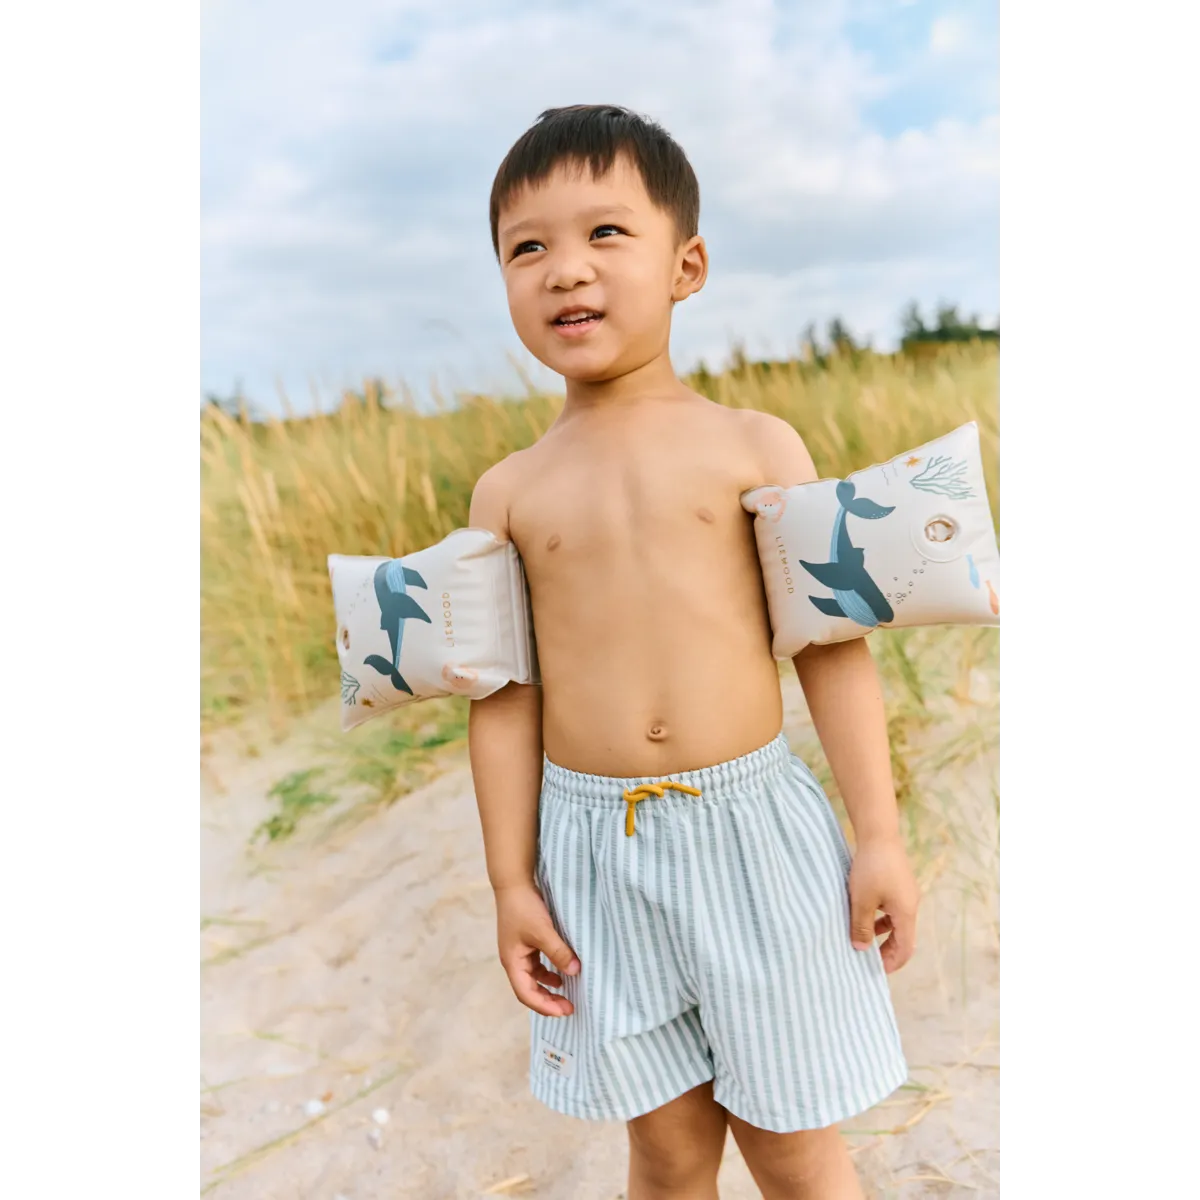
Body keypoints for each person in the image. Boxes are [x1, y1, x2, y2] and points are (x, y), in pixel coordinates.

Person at [467, 104, 918, 1200]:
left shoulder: (755, 446)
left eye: (605, 235)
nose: (566, 271)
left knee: (795, 1147)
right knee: (666, 1153)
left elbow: (831, 648)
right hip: (595, 857)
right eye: (528, 247)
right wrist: (509, 880)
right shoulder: (509, 492)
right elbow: (502, 698)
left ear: (688, 264)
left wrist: (879, 836)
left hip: (755, 837)